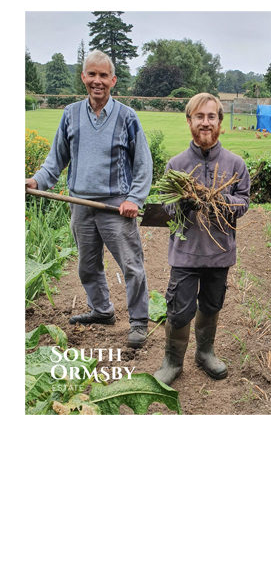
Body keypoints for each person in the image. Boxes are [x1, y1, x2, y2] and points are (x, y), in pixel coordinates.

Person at [26, 50, 152, 347]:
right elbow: (55, 160)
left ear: (113, 80)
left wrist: (134, 198)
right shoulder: (70, 114)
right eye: (92, 74)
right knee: (87, 265)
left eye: (103, 75)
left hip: (115, 206)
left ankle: (138, 321)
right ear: (83, 77)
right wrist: (36, 180)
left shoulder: (127, 117)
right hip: (80, 205)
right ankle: (102, 310)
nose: (97, 81)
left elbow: (143, 164)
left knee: (131, 265)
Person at [154, 93, 250, 386]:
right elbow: (166, 207)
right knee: (179, 308)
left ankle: (205, 352)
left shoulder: (235, 164)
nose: (205, 123)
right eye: (199, 117)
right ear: (189, 121)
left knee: (211, 305)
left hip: (220, 252)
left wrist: (218, 199)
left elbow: (243, 202)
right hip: (185, 252)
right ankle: (172, 361)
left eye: (211, 117)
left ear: (220, 121)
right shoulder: (176, 164)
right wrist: (184, 201)